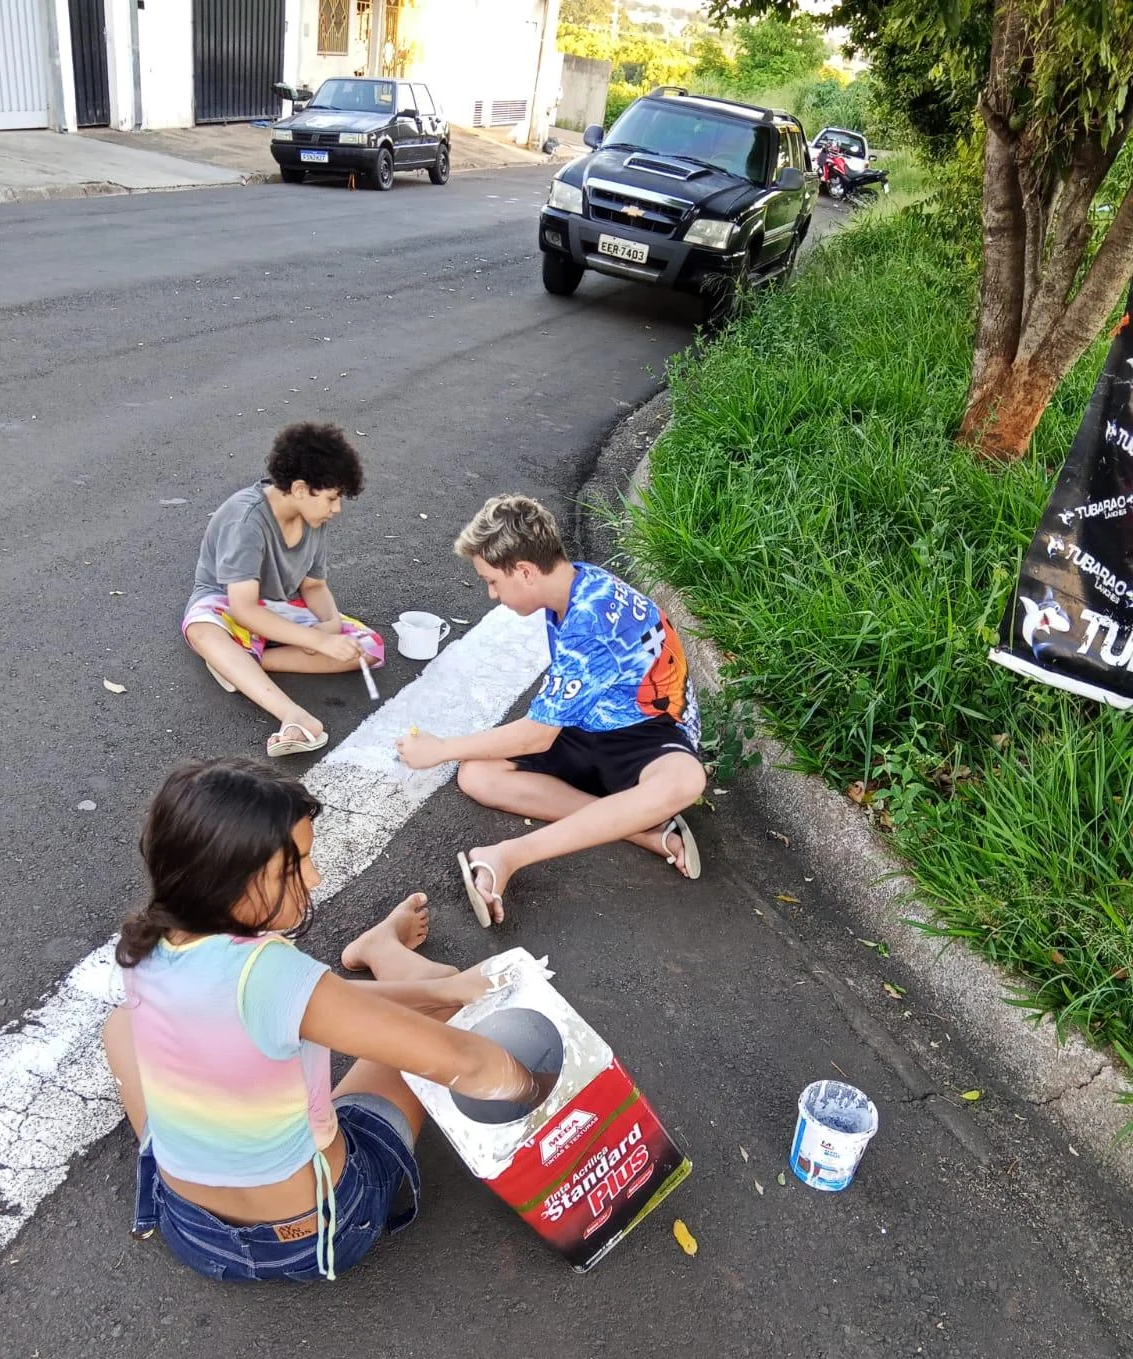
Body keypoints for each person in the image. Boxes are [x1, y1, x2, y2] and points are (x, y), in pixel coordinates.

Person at [103, 757, 538, 1284]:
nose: (315, 877)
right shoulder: (271, 973)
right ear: (229, 878)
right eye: (295, 867)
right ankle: (385, 950)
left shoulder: (147, 942)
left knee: (122, 1024)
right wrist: (537, 1085)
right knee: (447, 1009)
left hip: (191, 1229)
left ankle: (390, 953)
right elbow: (467, 1063)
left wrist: (435, 991)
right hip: (316, 1235)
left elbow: (309, 1008)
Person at [396, 494, 707, 927]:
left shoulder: (588, 622)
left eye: (492, 581)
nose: (491, 594)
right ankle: (642, 829)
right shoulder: (579, 580)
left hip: (648, 734)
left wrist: (440, 749)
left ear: (525, 571)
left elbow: (538, 734)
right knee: (477, 774)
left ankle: (508, 855)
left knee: (686, 780)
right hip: (590, 724)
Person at [182, 421, 385, 761]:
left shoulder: (313, 519)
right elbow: (244, 608)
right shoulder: (246, 520)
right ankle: (293, 714)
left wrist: (331, 624)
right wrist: (318, 641)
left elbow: (314, 585)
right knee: (201, 630)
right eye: (332, 498)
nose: (337, 509)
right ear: (301, 489)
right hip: (226, 605)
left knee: (368, 647)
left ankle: (243, 662)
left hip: (280, 607)